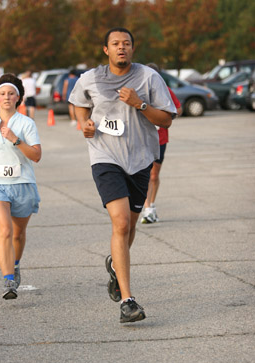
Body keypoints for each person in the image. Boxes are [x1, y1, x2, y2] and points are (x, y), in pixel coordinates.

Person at [69, 27, 177, 323]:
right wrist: (84, 123)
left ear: (133, 48)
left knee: (129, 228)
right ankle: (128, 301)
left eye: (126, 43)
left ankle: (116, 264)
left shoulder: (148, 77)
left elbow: (167, 119)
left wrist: (139, 104)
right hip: (105, 156)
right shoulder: (90, 78)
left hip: (140, 158)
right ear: (106, 49)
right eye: (115, 44)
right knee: (120, 222)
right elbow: (77, 102)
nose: (121, 48)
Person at [0, 73, 41, 300]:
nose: (7, 97)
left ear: (18, 97)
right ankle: (8, 280)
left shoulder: (26, 123)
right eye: (2, 94)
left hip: (23, 184)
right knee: (5, 230)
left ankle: (15, 265)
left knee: (18, 233)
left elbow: (36, 156)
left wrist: (15, 140)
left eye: (11, 93)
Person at [141, 63, 182, 224]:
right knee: (143, 174)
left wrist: (166, 116)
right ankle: (147, 209)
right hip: (142, 137)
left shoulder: (165, 90)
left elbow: (178, 109)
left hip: (160, 138)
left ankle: (151, 205)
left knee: (153, 175)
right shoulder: (139, 90)